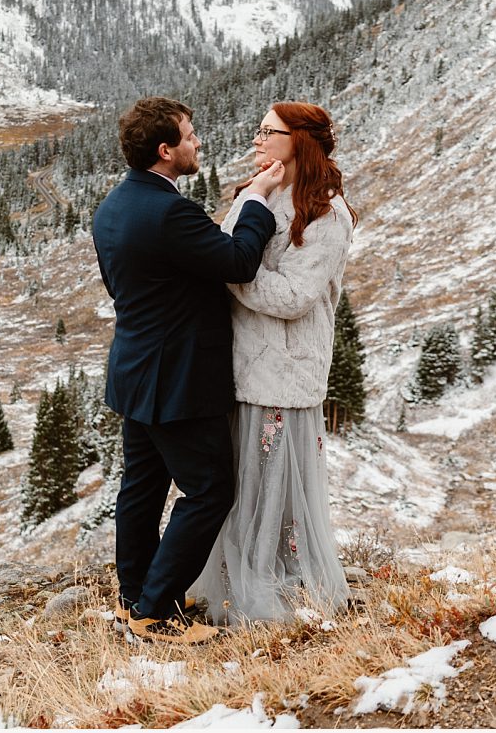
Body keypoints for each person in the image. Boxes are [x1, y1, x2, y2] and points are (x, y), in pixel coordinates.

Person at [92, 96, 286, 645]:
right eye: (190, 134)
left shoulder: (114, 206)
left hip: (133, 370)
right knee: (209, 491)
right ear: (165, 150)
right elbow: (238, 261)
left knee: (143, 488)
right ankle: (156, 613)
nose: (198, 142)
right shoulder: (169, 212)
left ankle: (135, 597)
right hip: (177, 378)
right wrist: (255, 199)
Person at [189, 102, 356, 625]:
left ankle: (275, 593)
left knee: (274, 490)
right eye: (258, 129)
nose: (257, 140)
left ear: (299, 140)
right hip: (238, 366)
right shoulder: (258, 191)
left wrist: (230, 273)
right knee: (238, 488)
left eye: (269, 132)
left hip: (285, 372)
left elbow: (294, 297)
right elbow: (227, 246)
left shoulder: (328, 213)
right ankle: (234, 585)